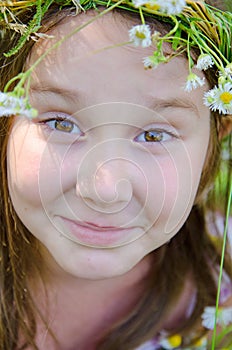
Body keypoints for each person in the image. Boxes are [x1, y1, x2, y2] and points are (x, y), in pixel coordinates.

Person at [0, 0, 231, 349]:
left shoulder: (221, 290)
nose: (105, 190)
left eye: (154, 136)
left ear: (215, 142)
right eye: (61, 123)